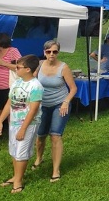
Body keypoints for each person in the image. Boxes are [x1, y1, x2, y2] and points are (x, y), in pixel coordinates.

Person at [0, 54, 42, 194]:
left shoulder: (36, 86)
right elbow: (10, 102)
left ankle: (18, 182)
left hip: (28, 124)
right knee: (14, 150)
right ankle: (16, 175)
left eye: (18, 67)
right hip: (14, 122)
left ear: (28, 69)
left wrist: (23, 129)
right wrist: (0, 121)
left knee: (21, 152)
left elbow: (33, 110)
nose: (15, 68)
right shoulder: (17, 82)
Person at [33, 40, 77, 183]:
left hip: (60, 104)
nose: (51, 54)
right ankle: (39, 158)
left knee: (55, 136)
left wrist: (66, 102)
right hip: (42, 105)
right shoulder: (39, 65)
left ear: (58, 52)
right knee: (40, 136)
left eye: (55, 51)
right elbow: (30, 80)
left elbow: (73, 88)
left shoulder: (63, 67)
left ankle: (55, 170)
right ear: (44, 52)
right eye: (48, 51)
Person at [0, 32, 22, 143]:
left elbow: (20, 67)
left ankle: (13, 137)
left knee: (10, 113)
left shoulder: (13, 51)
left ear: (0, 41)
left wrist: (4, 63)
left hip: (9, 87)